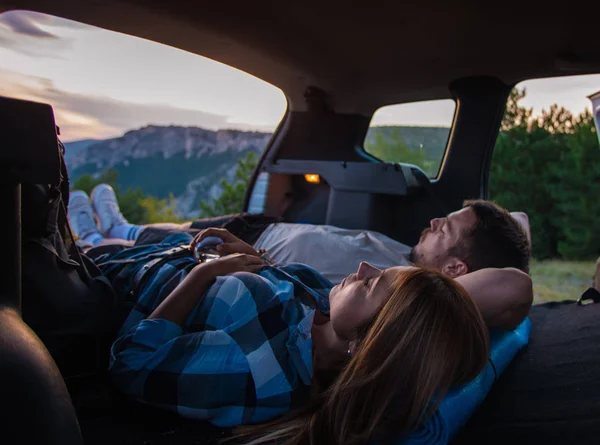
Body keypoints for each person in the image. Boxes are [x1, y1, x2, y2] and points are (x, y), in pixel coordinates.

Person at [93, 231, 491, 442]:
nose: (365, 267)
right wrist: (253, 259)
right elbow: (277, 292)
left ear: (363, 347)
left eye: (373, 286)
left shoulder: (262, 371)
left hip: (107, 286)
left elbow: (132, 365)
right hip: (157, 254)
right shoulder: (325, 304)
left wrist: (203, 276)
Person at [70, 184, 533, 328]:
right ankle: (116, 229)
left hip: (250, 254)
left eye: (445, 228)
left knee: (141, 248)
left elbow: (512, 283)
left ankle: (93, 239)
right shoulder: (403, 257)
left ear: (455, 271)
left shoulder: (390, 292)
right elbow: (519, 222)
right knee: (154, 234)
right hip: (260, 234)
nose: (434, 222)